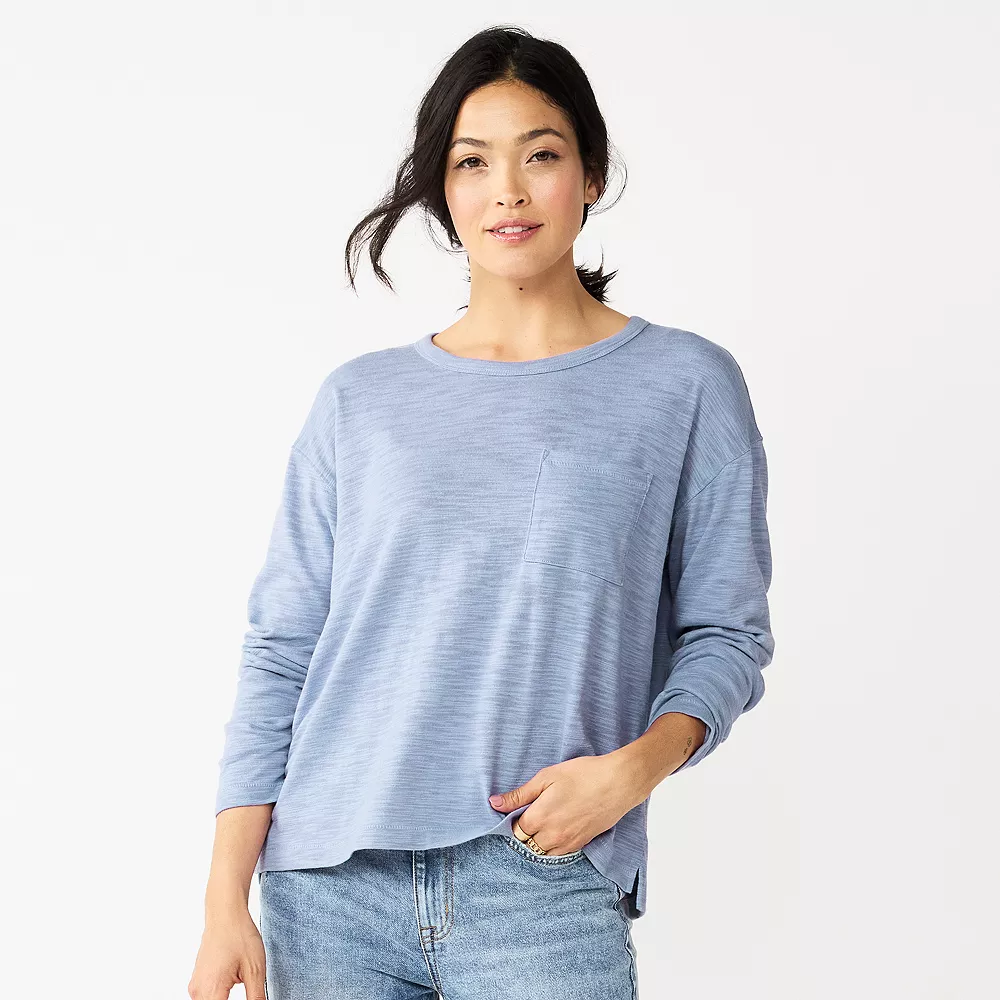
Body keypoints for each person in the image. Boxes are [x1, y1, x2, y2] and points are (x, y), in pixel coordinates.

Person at [188, 23, 775, 1000]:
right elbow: (282, 649)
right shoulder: (360, 401)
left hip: (544, 878)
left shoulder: (684, 384)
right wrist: (223, 903)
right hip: (328, 891)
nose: (507, 190)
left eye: (539, 155)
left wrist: (633, 770)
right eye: (472, 162)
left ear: (589, 174)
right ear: (441, 190)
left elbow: (726, 633)